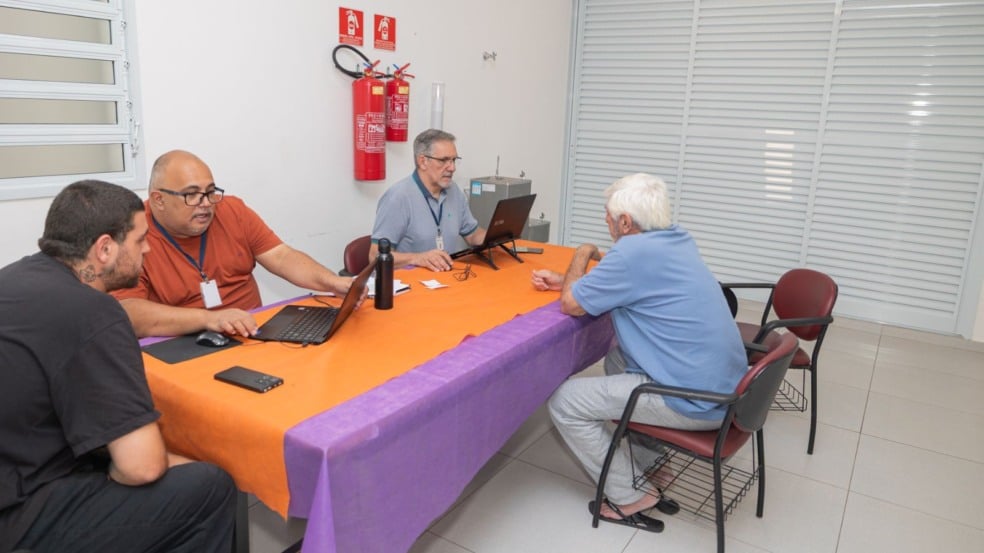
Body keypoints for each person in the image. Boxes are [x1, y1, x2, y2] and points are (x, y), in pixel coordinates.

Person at [0, 180, 237, 553]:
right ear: (105, 248)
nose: (147, 249)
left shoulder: (13, 277)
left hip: (16, 468)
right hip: (21, 514)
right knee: (209, 486)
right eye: (141, 239)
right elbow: (140, 467)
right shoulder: (93, 313)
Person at [530, 173, 746, 532]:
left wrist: (582, 253)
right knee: (617, 359)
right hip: (726, 385)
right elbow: (630, 276)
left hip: (697, 400)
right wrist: (572, 278)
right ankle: (651, 463)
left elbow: (571, 303)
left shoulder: (632, 253)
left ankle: (631, 496)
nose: (605, 221)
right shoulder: (676, 238)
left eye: (607, 215)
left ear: (625, 222)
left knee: (564, 403)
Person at [112, 149, 355, 338]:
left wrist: (332, 282)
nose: (206, 203)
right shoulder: (131, 234)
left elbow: (281, 257)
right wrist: (209, 319)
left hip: (252, 332)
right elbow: (130, 312)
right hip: (183, 342)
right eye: (192, 194)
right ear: (159, 200)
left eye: (210, 191)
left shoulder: (232, 210)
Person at [370, 129, 486, 271]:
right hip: (409, 285)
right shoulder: (398, 197)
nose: (452, 168)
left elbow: (473, 234)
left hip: (444, 278)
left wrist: (500, 236)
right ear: (423, 161)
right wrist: (418, 258)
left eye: (454, 160)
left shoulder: (453, 191)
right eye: (444, 160)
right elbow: (375, 255)